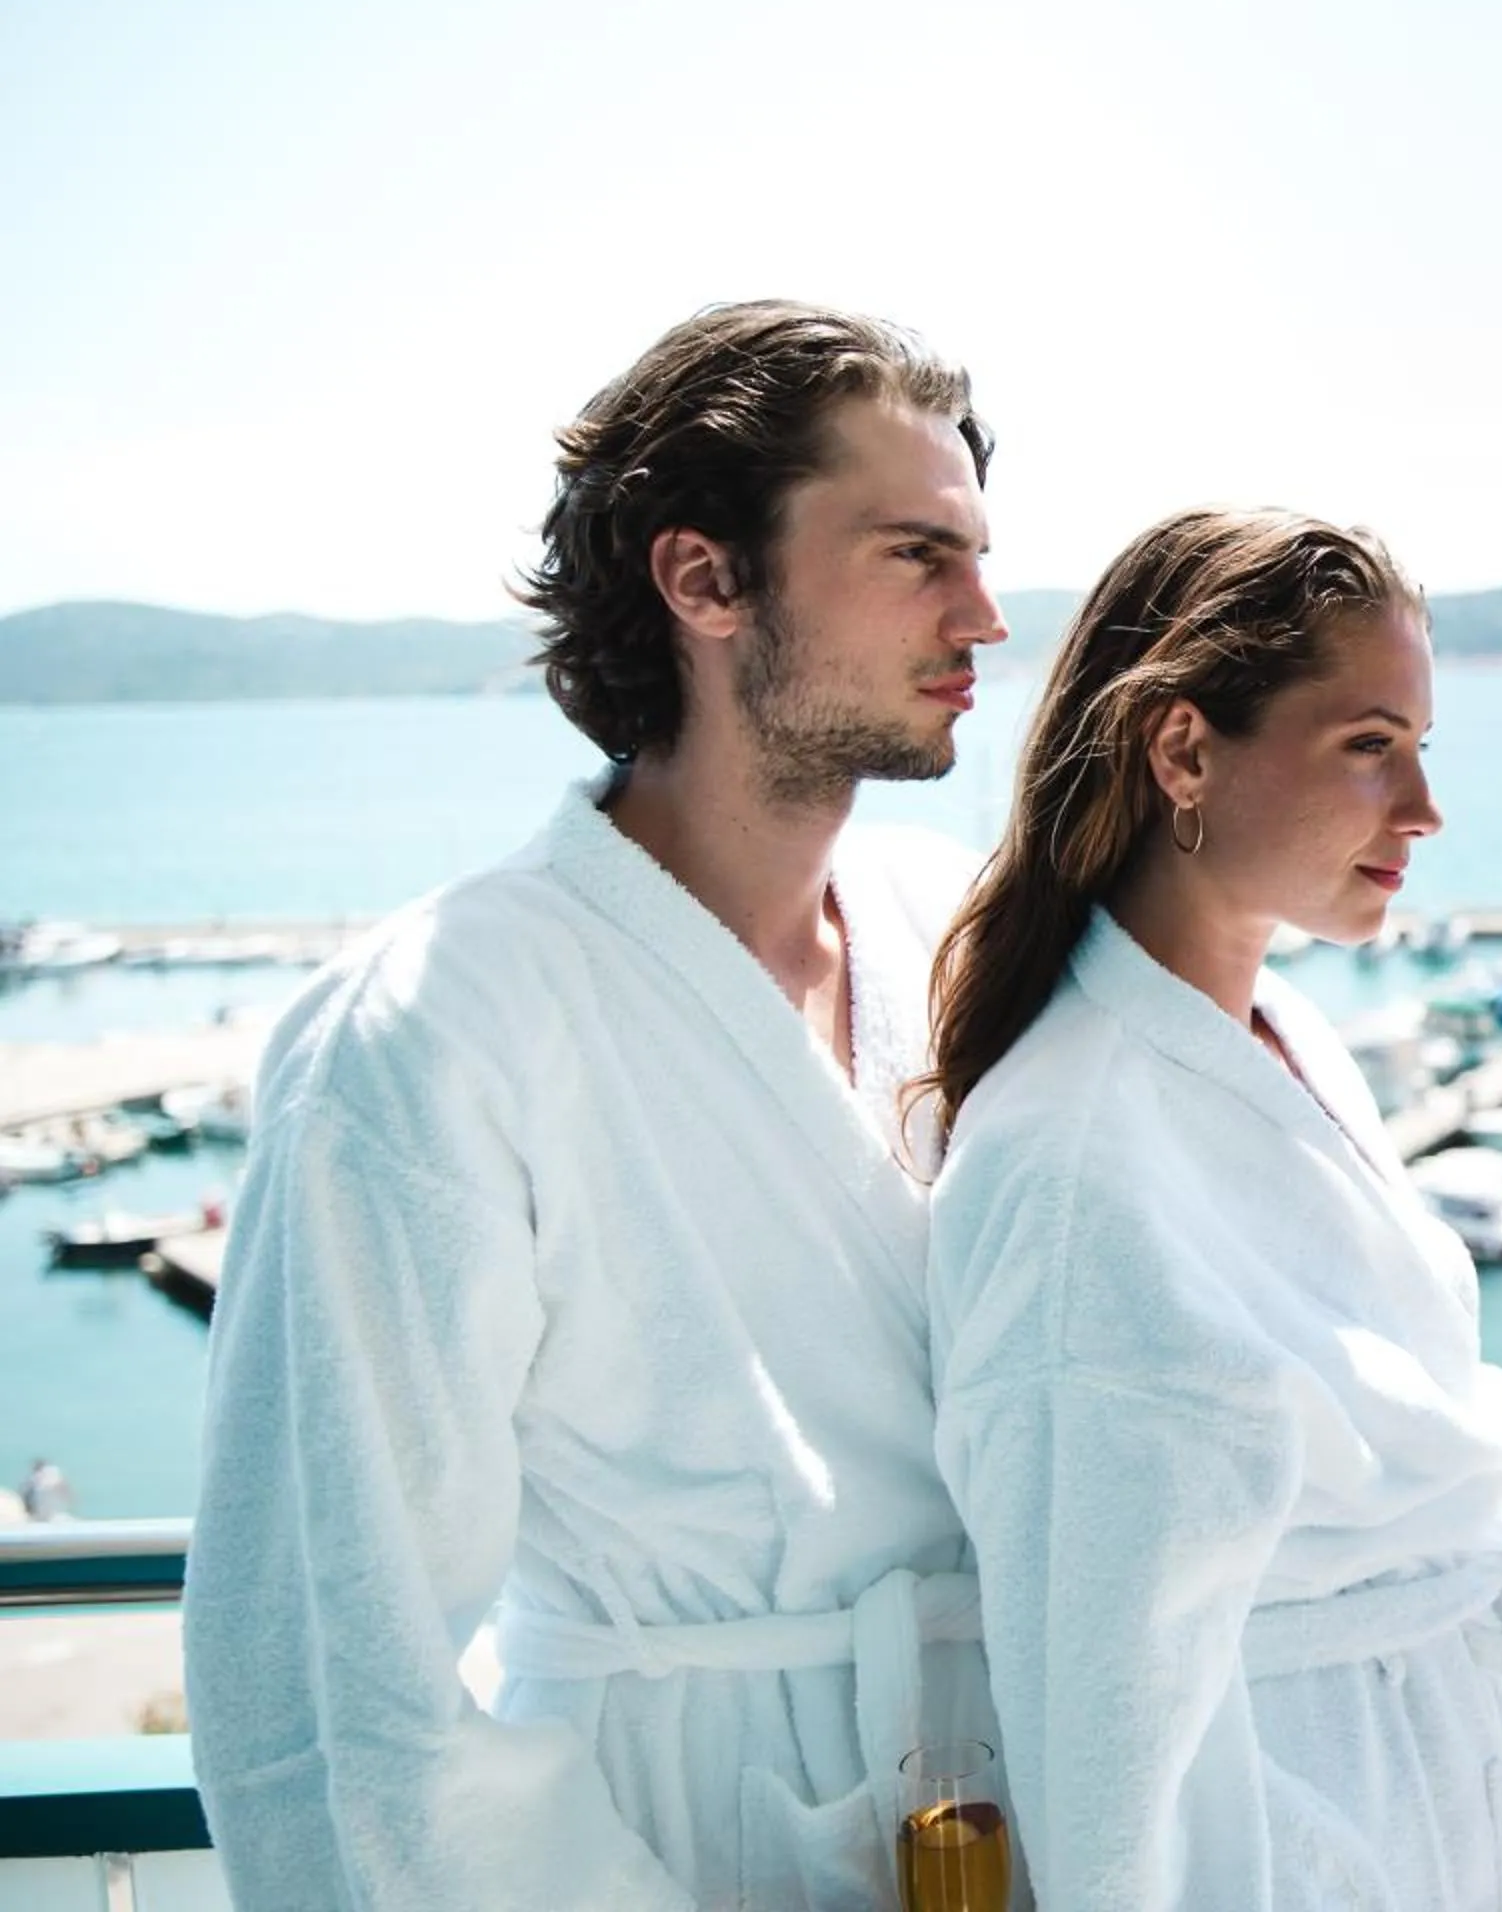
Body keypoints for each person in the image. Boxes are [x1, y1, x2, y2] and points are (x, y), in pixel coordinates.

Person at [183, 302, 1009, 1912]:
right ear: (704, 581)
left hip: (998, 1812)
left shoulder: (962, 939)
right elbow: (334, 1689)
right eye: (918, 556)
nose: (986, 615)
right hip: (664, 1839)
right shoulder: (428, 1035)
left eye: (978, 555)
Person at [922, 507, 1502, 1912]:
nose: (1424, 809)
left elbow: (1348, 1459)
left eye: (1422, 750)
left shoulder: (1286, 1038)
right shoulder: (1067, 1164)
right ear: (1182, 750)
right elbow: (1095, 1740)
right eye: (1371, 747)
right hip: (1294, 1856)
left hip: (1435, 1814)